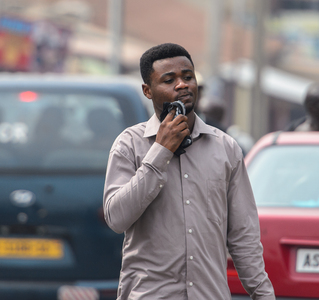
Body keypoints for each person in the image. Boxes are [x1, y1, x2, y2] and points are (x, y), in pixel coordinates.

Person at [103, 43, 275, 300]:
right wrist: (160, 151)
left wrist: (263, 295)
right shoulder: (129, 145)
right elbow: (116, 218)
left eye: (188, 76)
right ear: (148, 91)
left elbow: (243, 236)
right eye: (169, 80)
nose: (182, 85)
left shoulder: (226, 148)